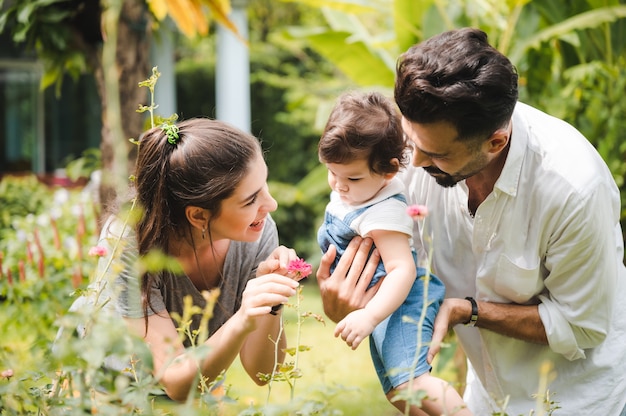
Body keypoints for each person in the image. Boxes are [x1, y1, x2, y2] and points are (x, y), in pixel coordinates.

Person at [316, 28, 626, 415]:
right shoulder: (410, 149)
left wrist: (468, 310)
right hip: (485, 395)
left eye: (435, 154)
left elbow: (583, 326)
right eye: (412, 142)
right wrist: (348, 301)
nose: (414, 162)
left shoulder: (573, 189)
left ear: (495, 142)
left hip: (575, 398)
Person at [65, 118, 304, 402]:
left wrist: (268, 300)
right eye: (251, 200)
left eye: (264, 185)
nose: (271, 204)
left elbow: (264, 372)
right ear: (199, 216)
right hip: (107, 389)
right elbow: (175, 381)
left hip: (197, 384)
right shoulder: (128, 242)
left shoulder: (257, 230)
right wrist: (242, 317)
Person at [317, 91, 470, 416]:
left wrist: (370, 316)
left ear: (389, 171)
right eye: (332, 172)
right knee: (398, 393)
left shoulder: (384, 210)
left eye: (352, 177)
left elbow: (403, 269)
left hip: (403, 299)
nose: (339, 186)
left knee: (411, 383)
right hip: (383, 302)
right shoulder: (358, 191)